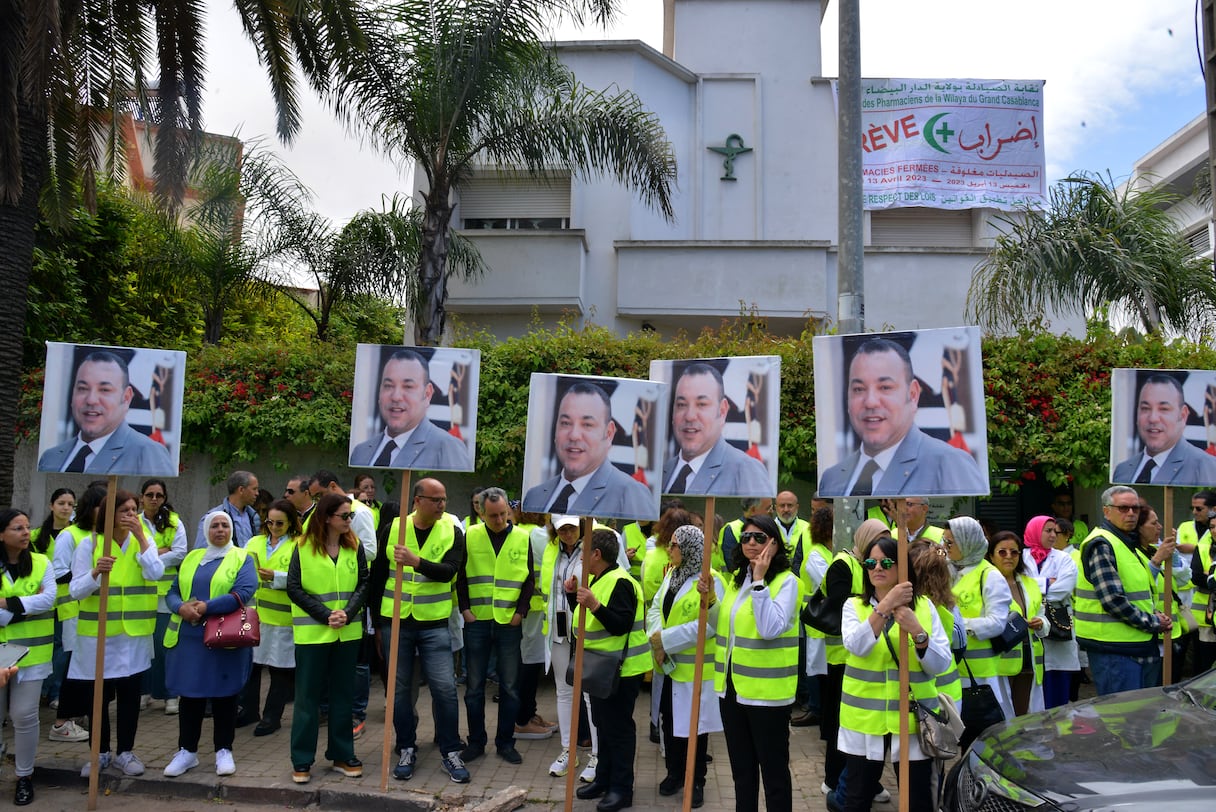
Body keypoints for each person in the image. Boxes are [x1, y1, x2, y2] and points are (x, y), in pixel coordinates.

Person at [839, 535, 952, 812]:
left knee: (918, 802)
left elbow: (940, 664)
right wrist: (884, 606)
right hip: (866, 723)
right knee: (855, 800)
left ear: (902, 568)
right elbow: (857, 645)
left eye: (886, 562)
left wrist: (919, 633)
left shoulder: (925, 607)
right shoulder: (854, 607)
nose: (877, 568)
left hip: (914, 723)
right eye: (870, 562)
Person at [371, 478, 470, 784]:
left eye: (444, 499)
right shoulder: (393, 528)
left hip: (433, 623)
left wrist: (417, 562)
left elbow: (451, 571)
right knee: (400, 691)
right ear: (417, 500)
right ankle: (406, 748)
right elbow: (376, 577)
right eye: (435, 499)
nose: (442, 505)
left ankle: (451, 751)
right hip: (395, 622)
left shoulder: (451, 530)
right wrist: (375, 624)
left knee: (444, 688)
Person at [70, 489, 165, 777]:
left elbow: (156, 573)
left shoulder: (141, 542)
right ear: (108, 514)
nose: (130, 516)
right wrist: (95, 573)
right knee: (97, 697)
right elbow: (75, 590)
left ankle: (125, 751)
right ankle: (99, 753)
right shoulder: (91, 544)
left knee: (129, 695)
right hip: (97, 635)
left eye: (133, 510)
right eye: (123, 510)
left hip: (132, 635)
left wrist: (142, 538)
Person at [817, 338, 988, 497]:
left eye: (885, 387)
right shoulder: (832, 479)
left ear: (913, 395)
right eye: (859, 389)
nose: (870, 402)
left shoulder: (950, 464)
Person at [709, 514, 799, 812]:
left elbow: (770, 628)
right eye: (746, 537)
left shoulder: (787, 583)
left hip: (768, 696)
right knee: (742, 773)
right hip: (732, 690)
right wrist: (710, 601)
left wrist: (760, 581)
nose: (751, 543)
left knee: (773, 776)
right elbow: (725, 628)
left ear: (774, 543)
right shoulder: (738, 579)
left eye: (759, 537)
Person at [161, 510, 257, 777]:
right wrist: (180, 607)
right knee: (190, 695)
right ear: (205, 531)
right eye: (214, 525)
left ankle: (223, 750)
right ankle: (187, 752)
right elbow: (172, 591)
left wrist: (206, 607)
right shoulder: (192, 558)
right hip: (189, 638)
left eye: (225, 525)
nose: (220, 530)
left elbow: (244, 592)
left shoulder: (242, 557)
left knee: (225, 694)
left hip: (224, 637)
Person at [286, 493, 369, 784]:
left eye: (350, 516)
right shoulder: (302, 547)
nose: (349, 521)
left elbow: (364, 582)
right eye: (344, 516)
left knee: (343, 696)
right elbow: (294, 587)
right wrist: (324, 614)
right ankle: (302, 759)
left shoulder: (354, 545)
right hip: (312, 634)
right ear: (326, 517)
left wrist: (347, 612)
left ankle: (342, 755)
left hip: (347, 633)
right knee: (307, 700)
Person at [567, 529, 648, 812]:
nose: (580, 558)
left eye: (583, 552)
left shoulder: (621, 582)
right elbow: (587, 622)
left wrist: (595, 604)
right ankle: (604, 779)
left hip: (622, 670)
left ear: (597, 554)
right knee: (603, 725)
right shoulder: (600, 579)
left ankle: (622, 789)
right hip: (602, 668)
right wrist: (572, 598)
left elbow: (619, 624)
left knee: (619, 729)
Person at [457, 487, 533, 765]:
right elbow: (461, 576)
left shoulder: (522, 537)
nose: (500, 520)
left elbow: (529, 580)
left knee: (511, 687)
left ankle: (505, 743)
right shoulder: (471, 534)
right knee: (474, 687)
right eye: (493, 516)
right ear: (481, 512)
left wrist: (521, 612)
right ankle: (476, 742)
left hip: (509, 621)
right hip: (477, 618)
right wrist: (464, 609)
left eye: (503, 514)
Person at [649, 525, 722, 809]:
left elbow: (710, 625)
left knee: (696, 729)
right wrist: (656, 638)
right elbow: (656, 607)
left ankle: (697, 781)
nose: (669, 549)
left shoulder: (710, 580)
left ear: (690, 549)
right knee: (669, 721)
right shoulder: (672, 574)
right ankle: (674, 773)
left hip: (693, 672)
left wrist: (665, 641)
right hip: (668, 667)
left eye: (675, 545)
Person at [1075, 486, 1173, 695]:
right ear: (1106, 511)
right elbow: (1113, 600)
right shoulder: (1102, 543)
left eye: (1135, 508)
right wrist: (1154, 622)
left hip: (1133, 645)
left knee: (1142, 717)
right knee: (1122, 722)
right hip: (1114, 649)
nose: (1130, 513)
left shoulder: (1125, 543)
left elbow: (1137, 595)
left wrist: (1154, 615)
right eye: (1123, 508)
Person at [818, 519, 888, 803]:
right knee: (841, 724)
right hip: (842, 656)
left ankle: (865, 782)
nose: (880, 551)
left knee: (868, 729)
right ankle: (835, 780)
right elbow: (837, 604)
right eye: (877, 539)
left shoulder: (870, 565)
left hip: (871, 658)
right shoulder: (844, 564)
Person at [522, 381, 654, 517]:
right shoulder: (534, 496)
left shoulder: (630, 494)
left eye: (587, 424)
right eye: (566, 423)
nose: (574, 435)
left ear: (609, 433)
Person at [38, 350, 175, 475]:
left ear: (126, 397)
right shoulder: (51, 458)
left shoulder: (147, 454)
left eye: (104, 390)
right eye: (82, 388)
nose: (91, 400)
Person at [0, 509, 57, 805]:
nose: (25, 532)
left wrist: (7, 604)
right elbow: (37, 601)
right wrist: (23, 608)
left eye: (27, 527)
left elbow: (49, 598)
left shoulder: (41, 562)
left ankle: (24, 776)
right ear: (1, 534)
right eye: (17, 528)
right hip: (0, 655)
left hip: (32, 654)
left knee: (24, 715)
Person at [540, 515, 600, 783]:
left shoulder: (595, 545)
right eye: (561, 528)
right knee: (564, 692)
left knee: (589, 694)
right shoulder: (551, 547)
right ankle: (568, 749)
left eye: (571, 527)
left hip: (587, 630)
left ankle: (597, 755)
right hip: (558, 629)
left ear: (581, 525)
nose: (567, 533)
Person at [348, 349, 472, 470]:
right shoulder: (361, 452)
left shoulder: (447, 448)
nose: (396, 396)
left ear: (428, 394)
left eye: (408, 386)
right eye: (388, 386)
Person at [662, 363, 770, 496]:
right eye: (681, 405)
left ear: (723, 410)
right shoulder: (663, 471)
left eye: (702, 404)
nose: (689, 416)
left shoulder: (745, 471)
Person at [947, 515, 1016, 720]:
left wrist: (959, 626)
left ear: (966, 541)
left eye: (950, 542)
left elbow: (996, 623)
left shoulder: (989, 575)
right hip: (952, 670)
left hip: (980, 673)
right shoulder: (948, 569)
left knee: (983, 729)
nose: (945, 546)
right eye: (944, 541)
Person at [244, 499, 301, 736]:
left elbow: (304, 577)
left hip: (282, 618)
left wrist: (276, 576)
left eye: (280, 523)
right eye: (270, 522)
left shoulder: (300, 544)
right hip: (255, 615)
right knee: (251, 666)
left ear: (290, 523)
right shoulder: (254, 542)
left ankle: (271, 716)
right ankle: (248, 710)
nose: (274, 527)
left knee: (280, 669)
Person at [1112, 374, 1216, 485]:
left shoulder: (1205, 467)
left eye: (1164, 409)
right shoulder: (1122, 470)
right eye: (1145, 408)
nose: (1153, 418)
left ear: (1183, 415)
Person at [138, 478, 187, 715]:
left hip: (165, 594)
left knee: (164, 644)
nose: (154, 499)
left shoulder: (174, 522)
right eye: (150, 495)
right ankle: (144, 692)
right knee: (143, 645)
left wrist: (149, 557)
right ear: (141, 498)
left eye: (159, 495)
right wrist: (159, 552)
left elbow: (179, 554)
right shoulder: (133, 522)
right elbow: (129, 554)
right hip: (139, 593)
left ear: (165, 498)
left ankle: (170, 695)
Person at [1021, 516, 1079, 709]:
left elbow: (1064, 588)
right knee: (1030, 688)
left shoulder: (1065, 559)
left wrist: (1030, 587)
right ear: (1035, 531)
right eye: (1048, 530)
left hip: (1057, 625)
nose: (1053, 535)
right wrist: (1047, 582)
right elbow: (1013, 586)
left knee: (1057, 682)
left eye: (1055, 531)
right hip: (1028, 624)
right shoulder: (1020, 557)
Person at [987, 531, 1046, 716]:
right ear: (991, 556)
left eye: (1014, 552)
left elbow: (1043, 615)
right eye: (1002, 552)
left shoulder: (1030, 583)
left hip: (1030, 659)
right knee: (1004, 714)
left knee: (1026, 713)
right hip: (1002, 659)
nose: (1009, 557)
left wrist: (1041, 623)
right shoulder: (986, 583)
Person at [30, 487, 74, 711]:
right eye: (61, 503)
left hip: (67, 601)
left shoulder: (76, 533)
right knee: (45, 645)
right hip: (42, 600)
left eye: (70, 504)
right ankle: (41, 691)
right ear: (51, 506)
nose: (66, 508)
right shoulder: (37, 536)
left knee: (61, 647)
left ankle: (55, 692)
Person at [197, 471, 261, 548]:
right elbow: (201, 550)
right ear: (241, 490)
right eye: (254, 489)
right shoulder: (213, 518)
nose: (257, 493)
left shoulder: (254, 517)